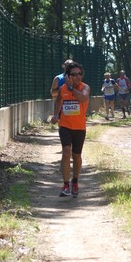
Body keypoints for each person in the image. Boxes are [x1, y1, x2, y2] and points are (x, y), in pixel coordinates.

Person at [51, 62, 90, 197]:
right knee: (66, 152)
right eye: (74, 74)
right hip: (65, 126)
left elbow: (83, 98)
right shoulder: (62, 89)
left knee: (76, 155)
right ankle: (66, 185)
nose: (77, 76)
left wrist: (72, 87)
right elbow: (58, 101)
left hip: (79, 127)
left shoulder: (85, 87)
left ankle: (75, 181)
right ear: (68, 76)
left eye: (79, 74)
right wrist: (56, 114)